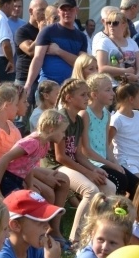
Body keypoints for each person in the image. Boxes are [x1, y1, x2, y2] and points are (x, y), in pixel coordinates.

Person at [43, 78, 114, 243]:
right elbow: (60, 156)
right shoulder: (61, 118)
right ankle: (76, 239)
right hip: (56, 166)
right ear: (68, 98)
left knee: (109, 187)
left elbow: (79, 153)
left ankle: (95, 233)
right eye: (83, 95)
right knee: (91, 190)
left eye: (88, 95)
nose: (87, 98)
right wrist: (88, 173)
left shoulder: (80, 120)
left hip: (70, 163)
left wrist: (93, 169)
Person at [82, 74, 139, 197]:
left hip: (104, 161)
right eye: (107, 90)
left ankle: (132, 215)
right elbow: (86, 150)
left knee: (137, 185)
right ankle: (113, 214)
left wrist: (115, 163)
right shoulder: (85, 114)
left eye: (111, 89)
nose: (113, 94)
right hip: (91, 163)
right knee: (120, 180)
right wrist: (111, 165)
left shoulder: (107, 114)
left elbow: (106, 147)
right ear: (94, 94)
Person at [24, 0, 86, 92]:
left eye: (70, 9)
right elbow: (37, 59)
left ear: (76, 11)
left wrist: (59, 51)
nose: (67, 13)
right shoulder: (47, 32)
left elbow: (81, 64)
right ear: (58, 11)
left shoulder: (81, 37)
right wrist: (28, 85)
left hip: (70, 88)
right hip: (48, 87)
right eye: (64, 10)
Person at [96, 10, 139, 86]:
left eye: (115, 23)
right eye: (108, 23)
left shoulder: (132, 43)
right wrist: (124, 71)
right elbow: (101, 68)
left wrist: (136, 77)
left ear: (124, 25)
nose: (111, 25)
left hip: (131, 86)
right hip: (112, 87)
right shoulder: (103, 42)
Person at [15, 0, 47, 90]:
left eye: (46, 9)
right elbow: (30, 51)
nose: (44, 13)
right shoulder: (22, 31)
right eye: (41, 10)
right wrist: (41, 32)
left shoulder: (49, 30)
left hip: (42, 79)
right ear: (30, 11)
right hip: (24, 79)